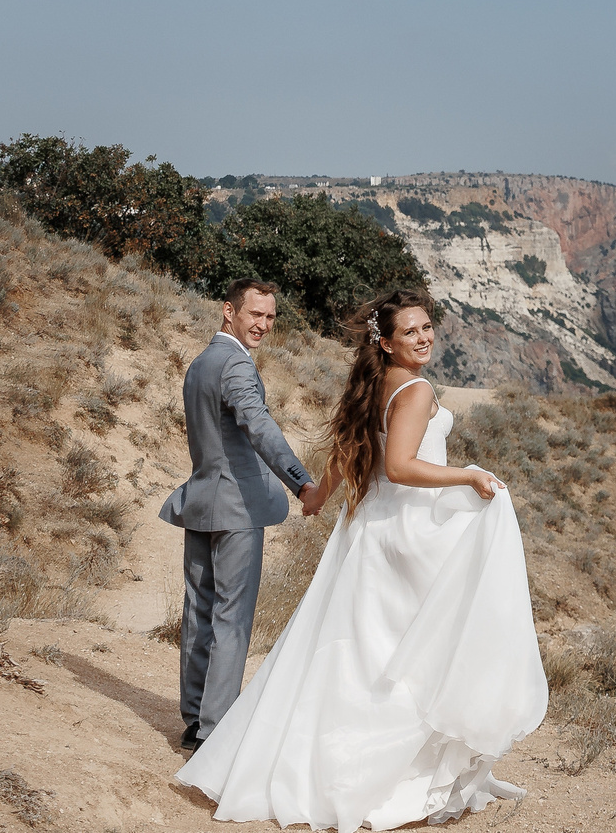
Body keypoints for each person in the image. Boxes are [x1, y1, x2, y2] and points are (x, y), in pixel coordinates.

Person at [177, 287, 547, 828]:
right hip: (409, 527)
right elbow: (398, 467)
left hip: (370, 529)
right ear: (388, 342)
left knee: (360, 649)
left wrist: (319, 495)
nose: (423, 338)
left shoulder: (375, 385)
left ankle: (304, 757)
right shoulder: (416, 390)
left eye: (426, 328)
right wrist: (467, 475)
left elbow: (350, 450)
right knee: (415, 648)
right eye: (410, 332)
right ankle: (394, 772)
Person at [160, 280, 318, 754]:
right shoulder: (235, 365)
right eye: (255, 314)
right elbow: (258, 425)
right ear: (228, 311)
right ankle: (216, 729)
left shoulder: (200, 363)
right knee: (231, 618)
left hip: (201, 502)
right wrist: (301, 480)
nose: (263, 325)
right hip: (237, 510)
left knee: (199, 612)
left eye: (270, 317)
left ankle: (194, 719)